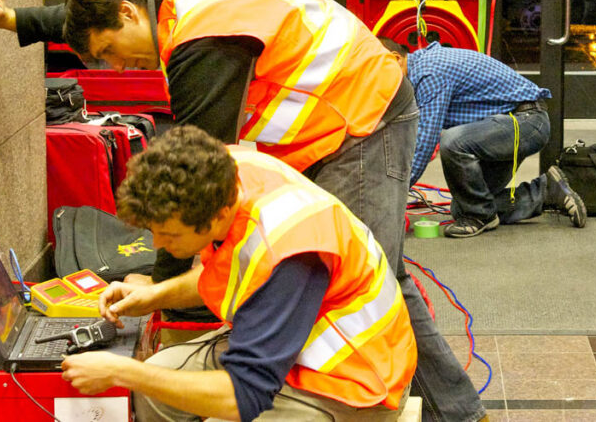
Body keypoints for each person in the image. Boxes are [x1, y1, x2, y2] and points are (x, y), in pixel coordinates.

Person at [0, 0, 486, 422]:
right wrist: (16, 20)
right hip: (329, 127)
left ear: (131, 14)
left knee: (369, 272)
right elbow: (95, 11)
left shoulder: (202, 37)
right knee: (332, 266)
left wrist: (160, 293)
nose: (115, 66)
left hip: (361, 116)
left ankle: (453, 412)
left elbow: (190, 191)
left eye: (110, 51)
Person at [60, 125, 417, 421]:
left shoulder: (291, 252)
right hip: (288, 347)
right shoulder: (225, 171)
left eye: (169, 234)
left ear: (216, 215)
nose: (157, 244)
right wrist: (156, 294)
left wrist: (122, 372)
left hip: (350, 380)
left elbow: (243, 396)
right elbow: (234, 271)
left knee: (202, 408)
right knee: (152, 396)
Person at [381, 39, 587, 238]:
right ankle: (546, 191)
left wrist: (392, 196)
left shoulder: (429, 72)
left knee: (452, 142)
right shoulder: (420, 71)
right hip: (507, 126)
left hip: (527, 123)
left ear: (396, 58)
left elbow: (424, 143)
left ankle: (481, 216)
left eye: (377, 75)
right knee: (463, 208)